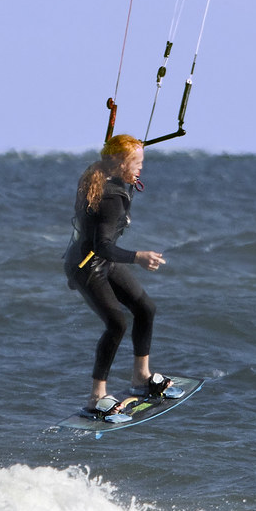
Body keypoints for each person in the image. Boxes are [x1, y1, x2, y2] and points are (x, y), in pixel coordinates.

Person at [63, 134, 171, 414]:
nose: (141, 168)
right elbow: (104, 246)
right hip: (87, 264)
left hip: (99, 258)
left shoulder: (97, 172)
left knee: (145, 307)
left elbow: (110, 152)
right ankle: (96, 397)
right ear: (121, 163)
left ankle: (141, 377)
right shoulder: (111, 198)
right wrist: (138, 257)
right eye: (137, 162)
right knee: (117, 323)